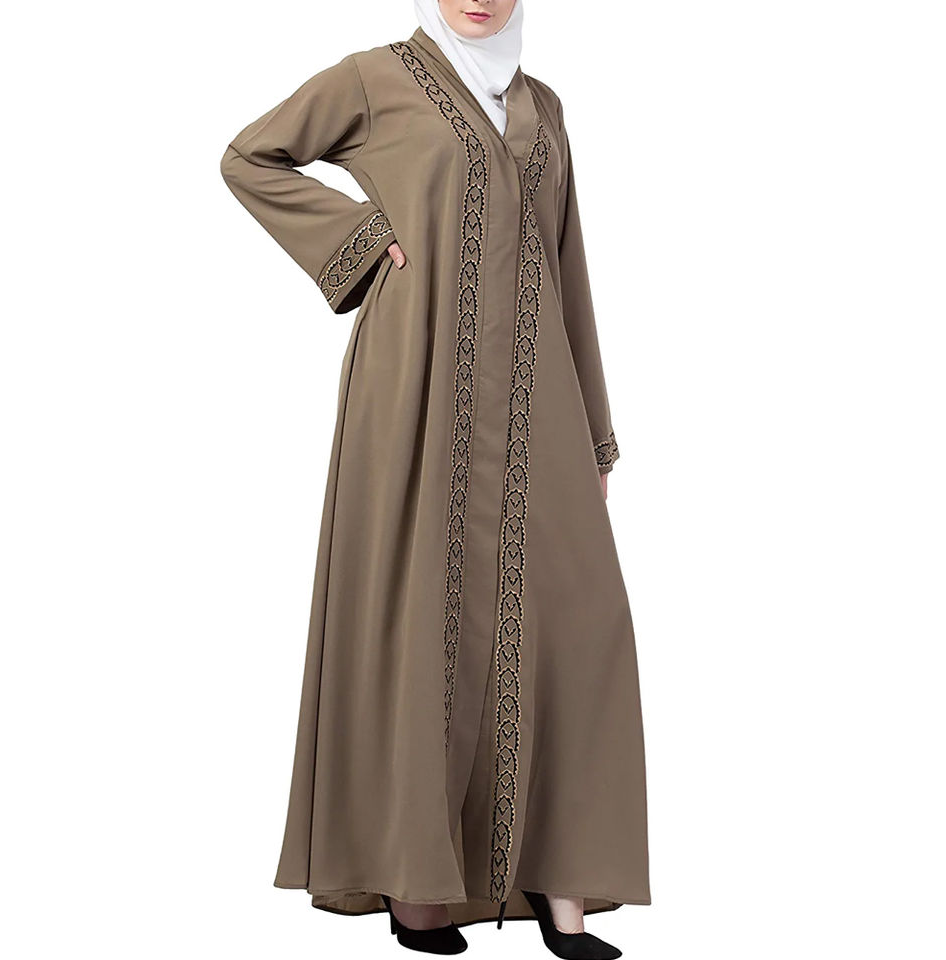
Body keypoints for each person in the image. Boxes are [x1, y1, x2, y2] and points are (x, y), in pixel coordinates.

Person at [220, 1, 650, 956]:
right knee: (421, 614)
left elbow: (568, 266)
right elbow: (250, 157)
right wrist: (360, 239)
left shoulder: (544, 106)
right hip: (417, 385)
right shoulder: (373, 79)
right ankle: (418, 880)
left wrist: (596, 435)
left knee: (583, 625)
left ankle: (560, 881)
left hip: (538, 395)